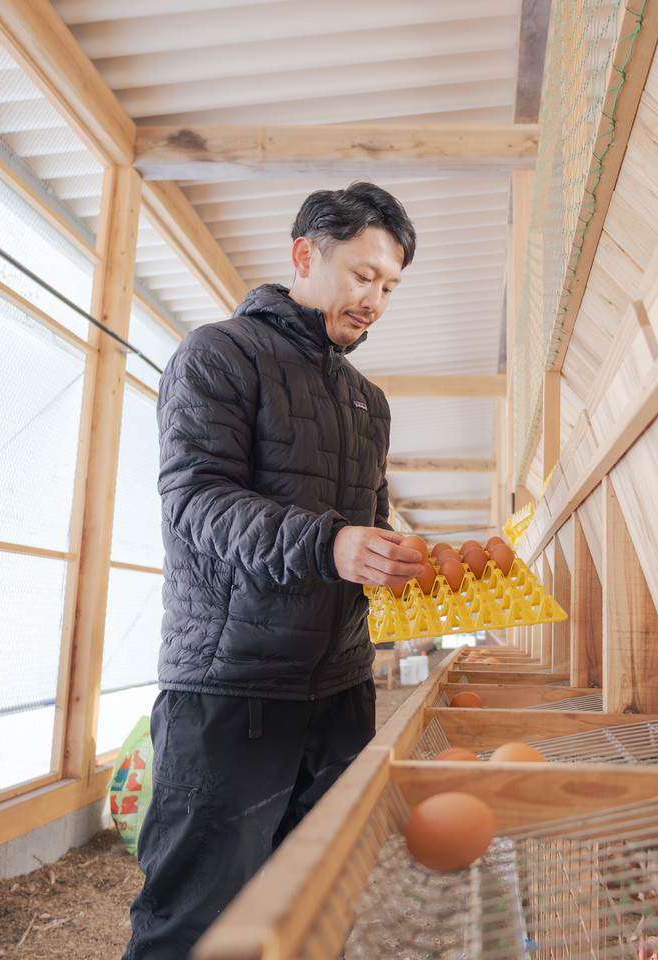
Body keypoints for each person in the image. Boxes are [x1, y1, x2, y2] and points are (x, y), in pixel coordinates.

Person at [123, 182, 426, 960]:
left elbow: (370, 524)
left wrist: (396, 560)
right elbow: (196, 503)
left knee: (316, 911)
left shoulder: (369, 402)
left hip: (338, 695)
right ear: (304, 255)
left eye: (390, 286)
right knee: (195, 926)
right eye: (363, 277)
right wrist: (332, 544)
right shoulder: (219, 355)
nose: (376, 302)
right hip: (232, 693)